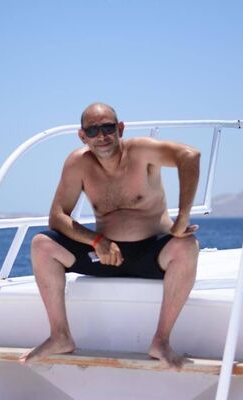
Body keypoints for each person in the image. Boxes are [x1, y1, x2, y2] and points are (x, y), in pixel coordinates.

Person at [20, 102, 200, 369]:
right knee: (41, 244)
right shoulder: (78, 163)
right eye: (93, 131)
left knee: (187, 246)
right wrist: (96, 241)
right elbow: (57, 217)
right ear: (82, 136)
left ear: (120, 128)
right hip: (106, 256)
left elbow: (190, 156)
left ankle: (161, 341)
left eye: (108, 128)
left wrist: (182, 218)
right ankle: (60, 336)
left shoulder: (141, 151)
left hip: (153, 255)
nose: (102, 136)